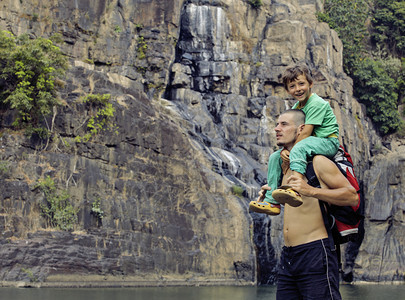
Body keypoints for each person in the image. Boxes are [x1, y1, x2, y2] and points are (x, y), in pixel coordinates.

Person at [256, 109, 358, 299]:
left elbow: (352, 196)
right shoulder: (287, 166)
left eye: (284, 124)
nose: (277, 129)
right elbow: (298, 207)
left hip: (316, 252)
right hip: (288, 256)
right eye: (277, 124)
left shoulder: (318, 162)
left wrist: (309, 190)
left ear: (301, 129)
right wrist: (272, 192)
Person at [249, 64, 340, 215]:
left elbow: (305, 133)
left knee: (298, 148)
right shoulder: (298, 107)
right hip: (310, 143)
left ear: (310, 84)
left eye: (301, 84)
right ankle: (272, 201)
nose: (297, 89)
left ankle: (295, 188)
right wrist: (283, 152)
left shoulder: (316, 103)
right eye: (292, 86)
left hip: (327, 142)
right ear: (287, 90)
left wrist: (289, 156)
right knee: (274, 157)